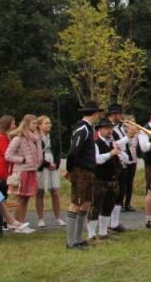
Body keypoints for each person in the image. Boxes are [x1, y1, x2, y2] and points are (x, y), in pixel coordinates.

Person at [65, 105, 103, 249]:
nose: (99, 116)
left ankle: (79, 238)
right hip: (80, 170)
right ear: (94, 114)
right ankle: (71, 242)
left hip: (88, 170)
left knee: (86, 202)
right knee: (76, 202)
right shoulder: (83, 129)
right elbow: (73, 151)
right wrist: (70, 169)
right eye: (98, 113)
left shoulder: (88, 128)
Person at [87, 118, 127, 241]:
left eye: (110, 128)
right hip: (99, 179)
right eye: (106, 128)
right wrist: (111, 153)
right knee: (95, 206)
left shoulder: (113, 143)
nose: (109, 131)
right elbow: (97, 160)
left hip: (113, 179)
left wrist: (119, 152)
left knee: (108, 206)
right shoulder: (95, 143)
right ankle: (91, 234)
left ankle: (103, 232)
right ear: (100, 129)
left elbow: (126, 159)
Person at [5, 114, 42, 228]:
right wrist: (23, 159)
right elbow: (8, 155)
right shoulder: (18, 138)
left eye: (36, 123)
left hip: (31, 170)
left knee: (26, 198)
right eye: (33, 123)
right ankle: (17, 224)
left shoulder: (35, 138)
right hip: (21, 172)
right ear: (26, 124)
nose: (36, 126)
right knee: (20, 199)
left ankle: (22, 223)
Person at [35, 116, 63, 227]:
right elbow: (36, 154)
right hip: (41, 166)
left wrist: (56, 164)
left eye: (49, 123)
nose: (49, 125)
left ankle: (58, 218)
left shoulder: (54, 137)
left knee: (55, 192)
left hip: (53, 165)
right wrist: (46, 164)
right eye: (46, 123)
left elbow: (58, 152)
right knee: (40, 192)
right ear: (39, 125)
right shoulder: (36, 138)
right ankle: (41, 219)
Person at [104, 105, 129, 232]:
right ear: (113, 114)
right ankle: (107, 224)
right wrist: (128, 136)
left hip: (121, 162)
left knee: (120, 193)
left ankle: (115, 223)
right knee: (112, 194)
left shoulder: (119, 128)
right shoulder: (106, 128)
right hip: (112, 163)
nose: (121, 116)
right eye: (119, 114)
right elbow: (114, 144)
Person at [0, 115, 15, 198]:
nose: (14, 126)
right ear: (6, 125)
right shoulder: (2, 138)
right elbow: (6, 153)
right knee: (0, 196)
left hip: (6, 168)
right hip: (2, 169)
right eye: (13, 124)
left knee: (3, 196)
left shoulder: (7, 137)